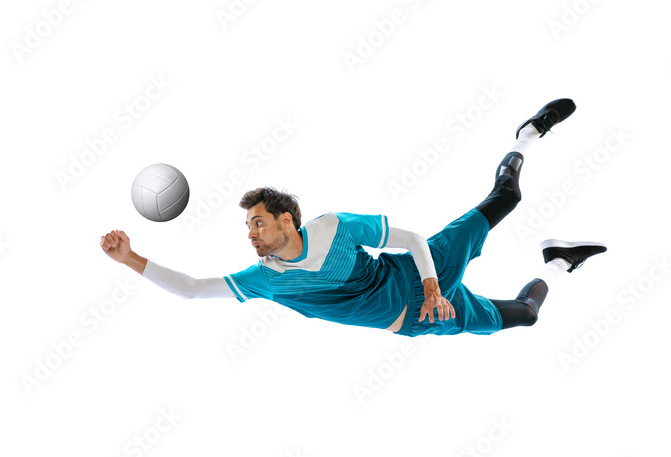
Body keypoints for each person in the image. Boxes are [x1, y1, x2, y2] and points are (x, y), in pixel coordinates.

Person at [99, 99, 606, 336]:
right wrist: (129, 259)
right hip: (418, 323)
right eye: (246, 225)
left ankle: (528, 135)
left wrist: (432, 286)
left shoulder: (333, 227)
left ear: (286, 221)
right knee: (527, 315)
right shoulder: (265, 281)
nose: (249, 233)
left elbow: (408, 236)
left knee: (505, 198)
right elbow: (190, 288)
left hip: (424, 276)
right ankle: (558, 261)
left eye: (257, 222)